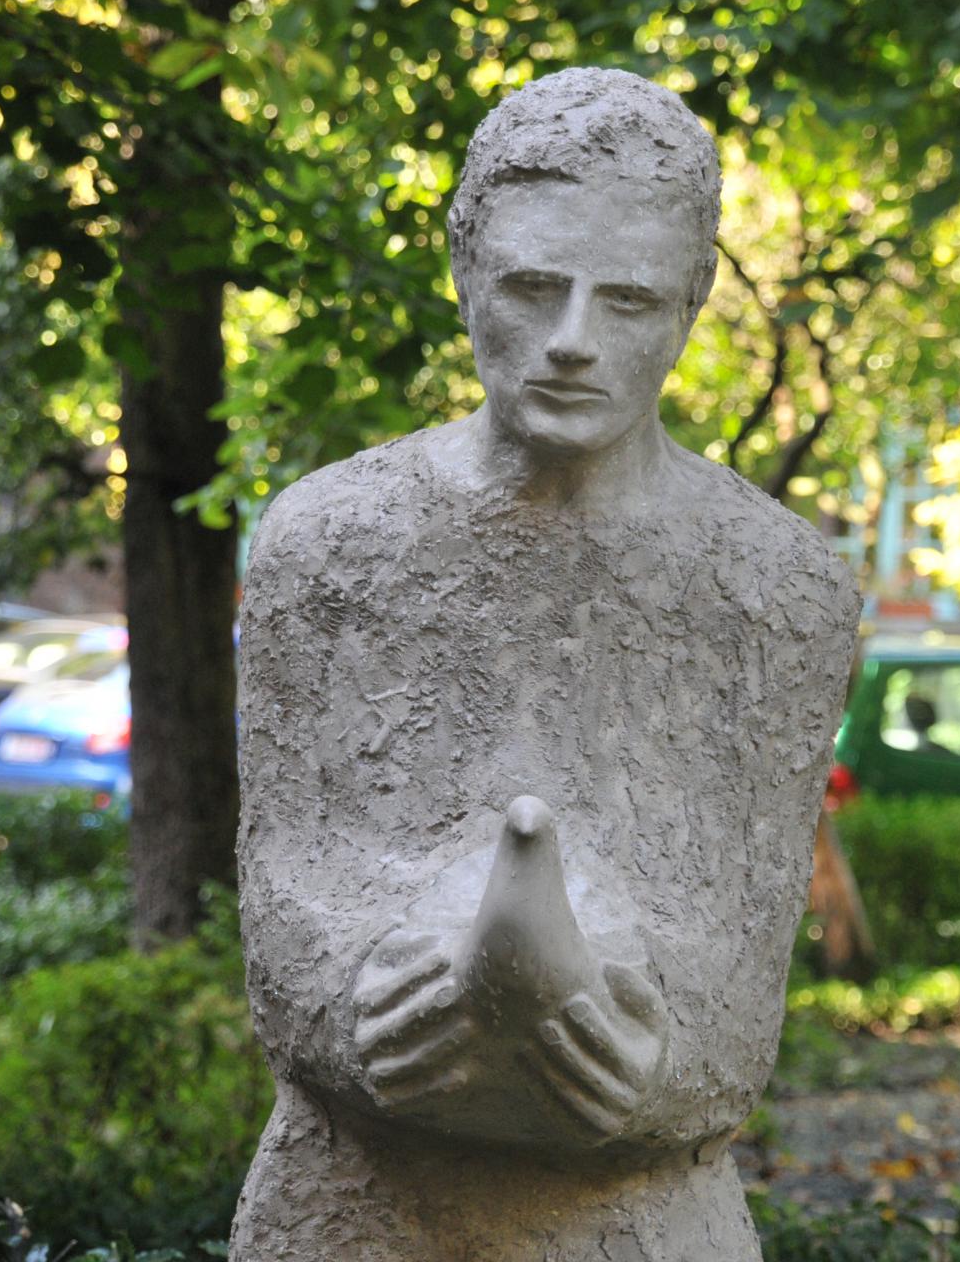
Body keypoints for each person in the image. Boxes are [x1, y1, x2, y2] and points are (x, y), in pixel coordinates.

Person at [232, 68, 860, 1262]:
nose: (572, 342)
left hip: (634, 1220)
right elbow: (289, 880)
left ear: (691, 298)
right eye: (532, 287)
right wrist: (358, 1007)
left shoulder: (776, 591)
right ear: (464, 267)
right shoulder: (331, 543)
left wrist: (655, 1062)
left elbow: (740, 959)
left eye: (625, 299)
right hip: (354, 1206)